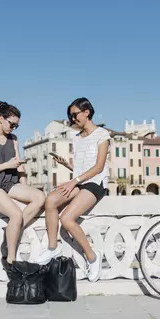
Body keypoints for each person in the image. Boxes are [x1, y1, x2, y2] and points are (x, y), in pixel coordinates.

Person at [36, 97, 110, 282]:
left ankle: (93, 257)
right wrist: (68, 166)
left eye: (75, 114)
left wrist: (73, 181)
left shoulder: (102, 134)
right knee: (50, 201)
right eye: (70, 116)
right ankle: (53, 248)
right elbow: (82, 168)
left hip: (96, 183)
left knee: (67, 218)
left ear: (87, 112)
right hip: (81, 181)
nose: (73, 119)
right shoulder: (76, 139)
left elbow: (99, 167)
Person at [0, 101, 46, 264]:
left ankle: (10, 234)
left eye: (17, 126)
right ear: (1, 119)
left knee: (40, 197)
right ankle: (11, 260)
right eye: (12, 124)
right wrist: (7, 165)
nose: (14, 128)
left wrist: (24, 184)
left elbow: (18, 166)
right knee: (16, 214)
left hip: (8, 182)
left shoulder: (13, 139)